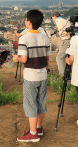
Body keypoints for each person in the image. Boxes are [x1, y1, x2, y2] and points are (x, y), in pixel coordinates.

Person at [13, 9, 51, 142]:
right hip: (43, 75)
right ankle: (39, 128)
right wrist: (44, 70)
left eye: (25, 19)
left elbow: (23, 59)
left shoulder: (24, 38)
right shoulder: (45, 37)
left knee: (30, 104)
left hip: (30, 76)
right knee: (41, 102)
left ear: (29, 22)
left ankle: (33, 133)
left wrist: (15, 58)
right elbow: (47, 59)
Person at [51, 11, 71, 76]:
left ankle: (62, 75)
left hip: (66, 40)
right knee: (65, 57)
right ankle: (67, 73)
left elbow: (62, 31)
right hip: (68, 40)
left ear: (54, 16)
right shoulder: (63, 20)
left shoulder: (58, 20)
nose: (52, 19)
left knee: (59, 58)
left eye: (52, 18)